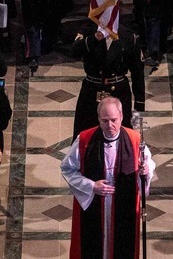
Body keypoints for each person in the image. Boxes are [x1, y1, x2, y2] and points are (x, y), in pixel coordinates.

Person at [61, 97, 156, 259]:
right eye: (105, 121)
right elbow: (67, 168)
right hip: (95, 205)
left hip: (123, 205)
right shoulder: (85, 139)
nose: (110, 125)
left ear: (121, 117)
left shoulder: (134, 140)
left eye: (114, 120)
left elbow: (148, 165)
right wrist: (91, 186)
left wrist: (146, 171)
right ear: (98, 119)